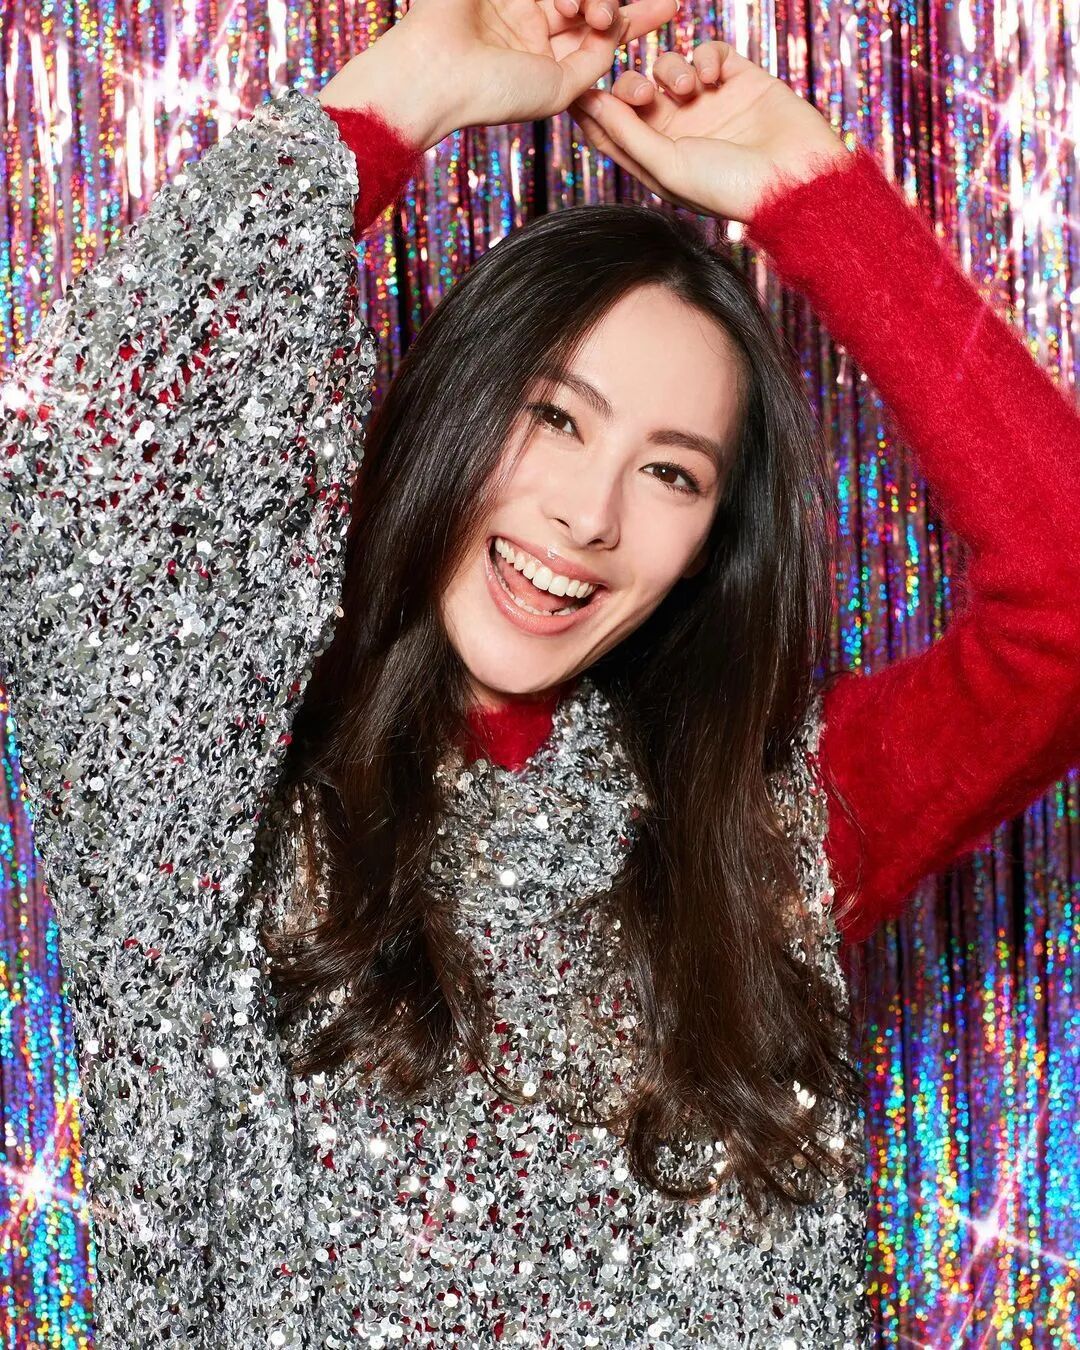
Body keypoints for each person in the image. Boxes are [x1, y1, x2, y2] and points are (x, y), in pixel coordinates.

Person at [2, 0, 1078, 1342]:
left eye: (672, 473)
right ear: (451, 407)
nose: (587, 515)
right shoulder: (212, 778)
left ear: (711, 543)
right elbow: (86, 468)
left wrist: (814, 195)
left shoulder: (757, 834)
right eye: (555, 416)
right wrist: (408, 90)